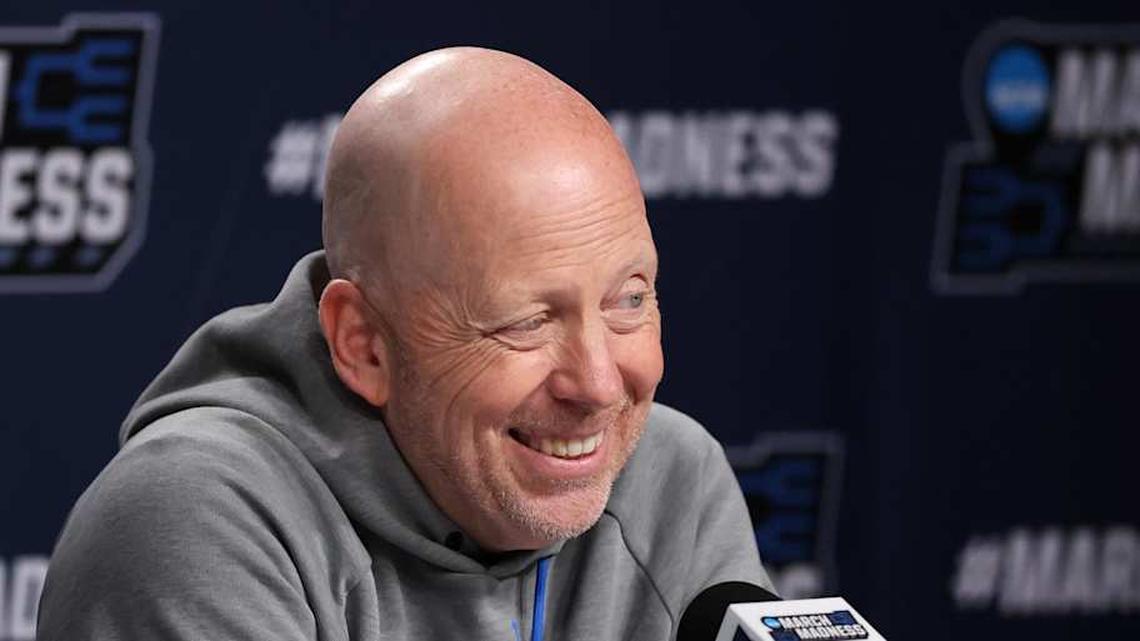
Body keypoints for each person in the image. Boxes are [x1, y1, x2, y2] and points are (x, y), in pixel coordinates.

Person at [36, 47, 772, 641]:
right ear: (364, 344)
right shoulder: (197, 518)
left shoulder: (670, 483)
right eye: (525, 322)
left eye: (629, 299)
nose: (600, 385)